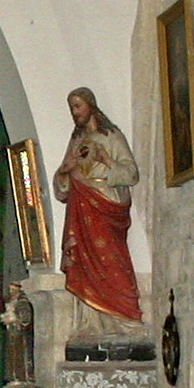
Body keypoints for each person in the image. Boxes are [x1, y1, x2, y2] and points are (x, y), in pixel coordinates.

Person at [53, 86, 142, 330]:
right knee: (84, 265)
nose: (74, 112)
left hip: (105, 207)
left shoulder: (111, 136)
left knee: (112, 262)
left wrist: (107, 161)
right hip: (81, 208)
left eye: (78, 106)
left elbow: (132, 174)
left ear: (90, 106)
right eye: (71, 108)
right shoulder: (76, 140)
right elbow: (62, 188)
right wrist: (64, 171)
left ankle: (125, 321)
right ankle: (90, 325)